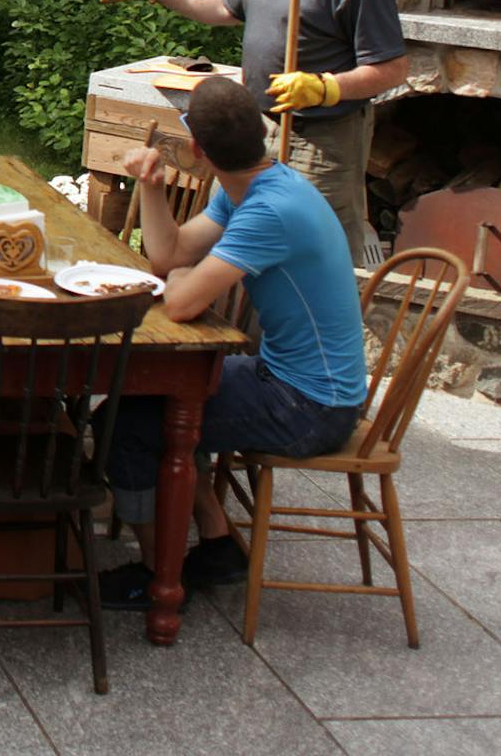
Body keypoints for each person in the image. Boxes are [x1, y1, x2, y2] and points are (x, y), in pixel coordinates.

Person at [95, 77, 367, 610]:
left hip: (311, 405)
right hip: (294, 380)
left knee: (125, 424)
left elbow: (179, 300)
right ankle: (217, 545)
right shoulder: (253, 185)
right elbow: (169, 257)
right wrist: (151, 185)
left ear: (197, 150)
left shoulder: (269, 212)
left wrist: (181, 281)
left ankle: (156, 575)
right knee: (167, 396)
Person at [84, 0, 406, 249]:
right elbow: (225, 6)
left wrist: (325, 88)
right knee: (239, 237)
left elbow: (392, 68)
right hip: (258, 128)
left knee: (314, 246)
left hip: (321, 142)